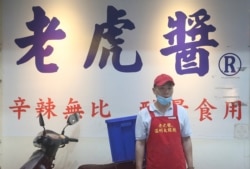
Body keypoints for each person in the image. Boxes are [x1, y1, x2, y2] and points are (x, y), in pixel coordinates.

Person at [135, 73, 194, 169]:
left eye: (169, 88)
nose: (166, 92)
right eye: (162, 88)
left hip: (178, 166)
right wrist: (138, 167)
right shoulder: (144, 114)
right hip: (154, 165)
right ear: (154, 90)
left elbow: (186, 140)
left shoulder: (181, 112)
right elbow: (140, 143)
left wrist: (191, 166)